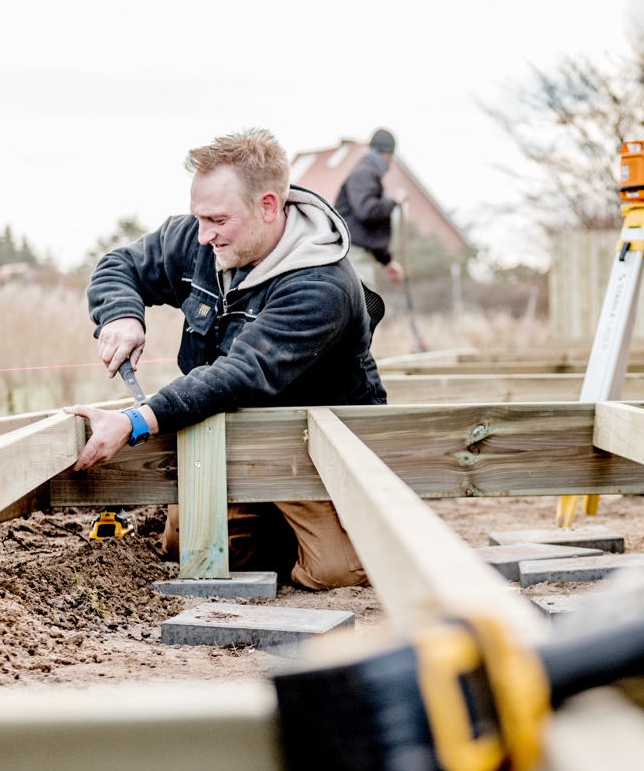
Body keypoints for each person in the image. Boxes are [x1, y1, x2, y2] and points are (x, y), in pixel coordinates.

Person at [67, 128, 385, 590]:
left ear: (269, 206)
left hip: (311, 450)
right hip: (227, 433)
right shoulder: (200, 240)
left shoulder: (321, 286)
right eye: (199, 217)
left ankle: (323, 528)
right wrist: (120, 315)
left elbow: (241, 374)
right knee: (188, 547)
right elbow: (120, 265)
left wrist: (136, 421)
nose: (203, 235)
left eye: (217, 219)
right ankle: (268, 529)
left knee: (337, 572)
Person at [334, 128, 407, 284]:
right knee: (364, 305)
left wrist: (386, 260)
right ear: (388, 154)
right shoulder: (364, 173)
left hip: (354, 253)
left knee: (365, 305)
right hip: (353, 255)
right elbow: (367, 210)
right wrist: (393, 201)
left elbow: (367, 228)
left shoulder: (366, 172)